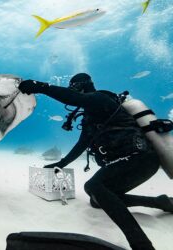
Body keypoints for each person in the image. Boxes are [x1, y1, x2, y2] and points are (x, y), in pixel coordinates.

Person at [18, 73, 173, 250]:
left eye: (73, 86)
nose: (71, 89)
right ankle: (159, 202)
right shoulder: (90, 117)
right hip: (130, 162)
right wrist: (61, 164)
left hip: (139, 158)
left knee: (94, 186)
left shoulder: (100, 99)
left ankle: (142, 245)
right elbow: (82, 144)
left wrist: (41, 87)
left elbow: (74, 98)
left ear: (83, 85)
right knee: (97, 198)